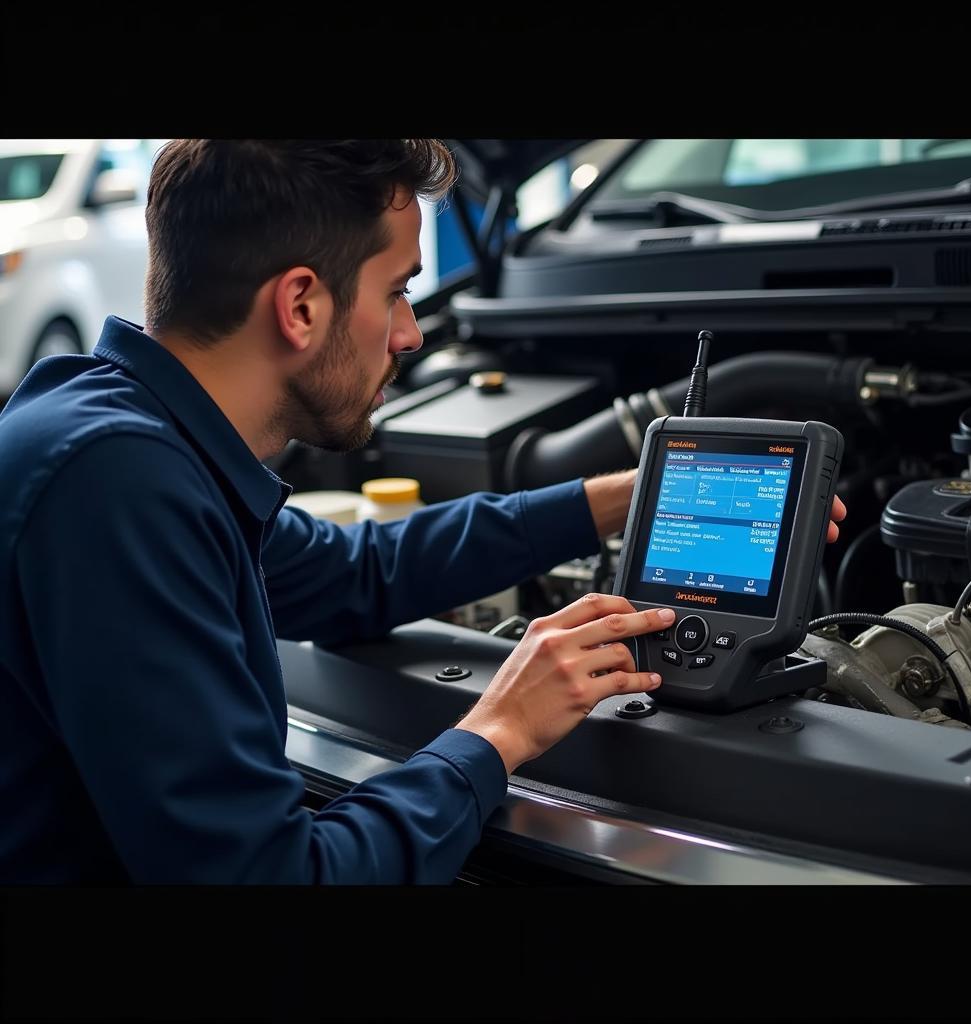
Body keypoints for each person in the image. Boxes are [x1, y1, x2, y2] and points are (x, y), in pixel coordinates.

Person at [0, 139, 846, 884]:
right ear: (300, 305)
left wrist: (620, 497)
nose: (410, 334)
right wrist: (498, 730)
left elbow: (354, 573)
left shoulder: (118, 431)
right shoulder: (118, 487)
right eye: (399, 290)